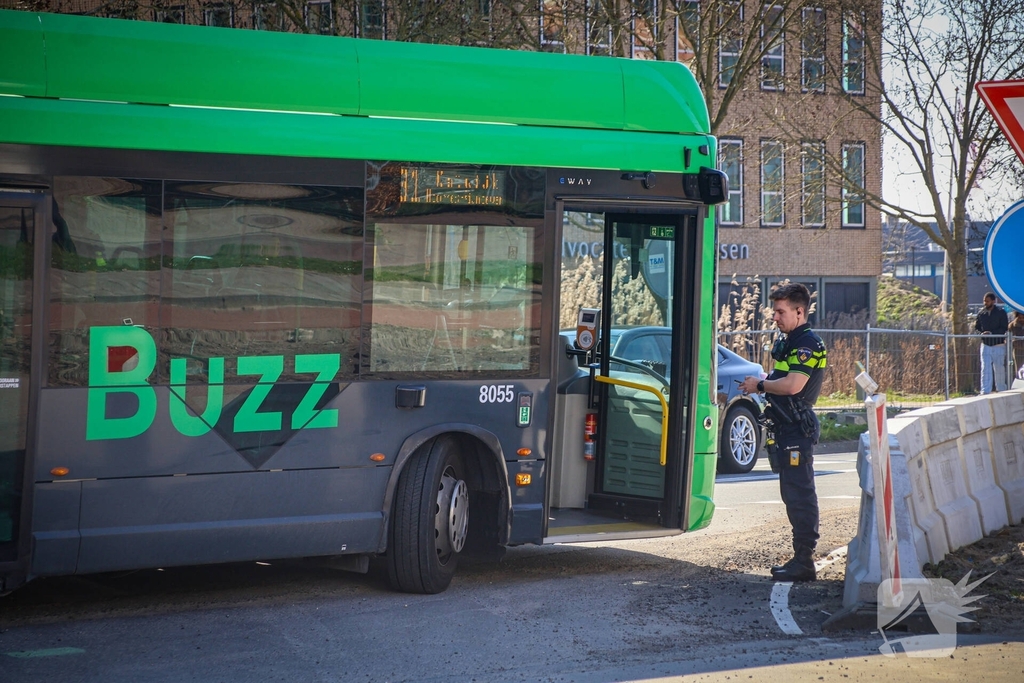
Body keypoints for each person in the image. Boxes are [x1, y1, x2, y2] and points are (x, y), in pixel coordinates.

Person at [739, 283, 827, 582]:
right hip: (787, 428)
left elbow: (792, 386)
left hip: (796, 430)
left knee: (800, 494)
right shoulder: (792, 340)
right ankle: (800, 558)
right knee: (792, 493)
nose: (774, 317)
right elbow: (781, 377)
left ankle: (804, 561)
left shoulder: (807, 343)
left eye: (780, 312)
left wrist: (760, 385)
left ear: (799, 311)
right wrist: (764, 382)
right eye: (774, 311)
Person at [975, 292, 1008, 394]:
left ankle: (1001, 389)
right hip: (986, 344)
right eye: (984, 301)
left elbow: (1004, 328)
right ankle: (985, 390)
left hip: (998, 344)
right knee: (985, 368)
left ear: (993, 301)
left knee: (999, 368)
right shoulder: (981, 313)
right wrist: (981, 334)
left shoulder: (1001, 312)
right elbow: (977, 327)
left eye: (987, 301)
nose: (985, 303)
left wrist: (992, 333)